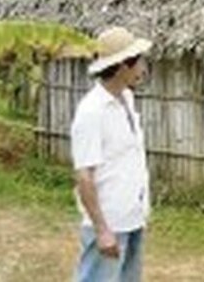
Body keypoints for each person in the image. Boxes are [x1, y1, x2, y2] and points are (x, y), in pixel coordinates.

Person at [70, 27, 152, 282]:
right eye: (138, 61)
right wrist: (102, 229)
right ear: (121, 67)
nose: (143, 68)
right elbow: (84, 176)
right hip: (110, 220)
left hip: (132, 215)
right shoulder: (92, 112)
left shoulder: (126, 99)